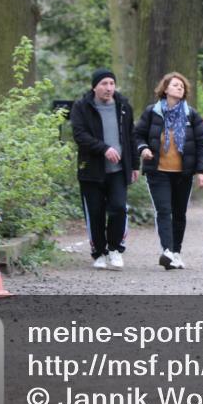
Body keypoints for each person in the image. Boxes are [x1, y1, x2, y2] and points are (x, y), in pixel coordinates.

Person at [134, 72, 203, 271]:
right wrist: (143, 148)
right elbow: (138, 135)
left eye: (182, 86)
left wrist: (202, 171)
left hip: (183, 173)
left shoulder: (191, 115)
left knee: (179, 213)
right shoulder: (152, 112)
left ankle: (176, 252)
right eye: (175, 85)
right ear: (165, 88)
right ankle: (167, 251)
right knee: (163, 210)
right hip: (157, 171)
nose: (179, 88)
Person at [70, 69, 139, 271]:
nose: (109, 88)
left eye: (111, 83)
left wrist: (135, 165)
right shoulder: (82, 107)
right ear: (94, 87)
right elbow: (79, 135)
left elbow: (131, 136)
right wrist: (104, 149)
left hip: (118, 170)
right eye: (104, 84)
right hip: (91, 170)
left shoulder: (123, 106)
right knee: (95, 212)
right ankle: (99, 252)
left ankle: (115, 249)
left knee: (118, 208)